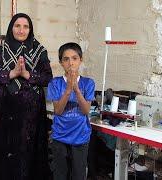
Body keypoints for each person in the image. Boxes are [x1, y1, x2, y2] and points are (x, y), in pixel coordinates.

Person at [0, 13, 53, 180]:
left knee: (26, 150)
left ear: (30, 29)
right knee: (4, 149)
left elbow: (47, 78)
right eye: (17, 26)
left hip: (30, 113)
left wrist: (28, 75)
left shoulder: (39, 50)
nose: (21, 30)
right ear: (11, 28)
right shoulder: (2, 48)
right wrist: (12, 73)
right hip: (4, 110)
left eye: (25, 26)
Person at [47, 42, 95, 180]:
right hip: (60, 137)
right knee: (60, 174)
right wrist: (68, 89)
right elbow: (58, 111)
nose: (70, 63)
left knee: (78, 174)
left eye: (74, 58)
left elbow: (85, 110)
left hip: (81, 136)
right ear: (61, 62)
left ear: (81, 60)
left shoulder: (88, 83)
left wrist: (76, 89)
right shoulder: (55, 83)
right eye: (66, 59)